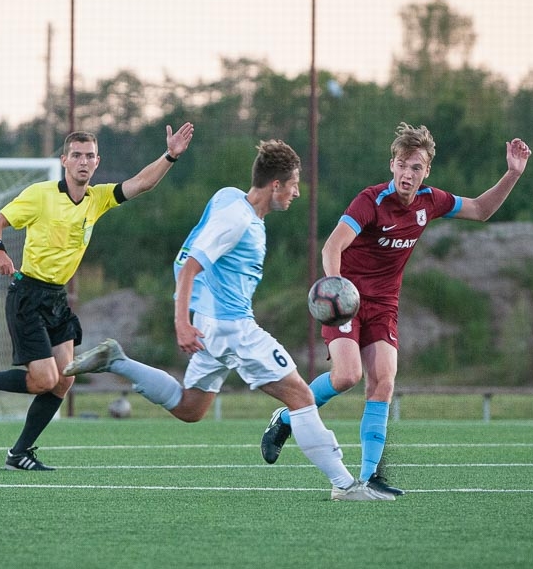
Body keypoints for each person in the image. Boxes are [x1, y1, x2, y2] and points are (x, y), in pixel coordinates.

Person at [64, 140, 382, 500]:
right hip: (234, 328)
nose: (296, 192)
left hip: (213, 323)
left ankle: (117, 361)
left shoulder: (229, 197)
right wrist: (182, 321)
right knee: (301, 396)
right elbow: (189, 267)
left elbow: (193, 251)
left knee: (190, 408)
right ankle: (345, 486)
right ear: (275, 185)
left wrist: (196, 312)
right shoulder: (238, 221)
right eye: (293, 184)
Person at [260, 122, 532, 499]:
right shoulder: (370, 201)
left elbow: (481, 210)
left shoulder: (430, 201)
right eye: (402, 164)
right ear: (392, 165)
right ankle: (287, 417)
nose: (408, 173)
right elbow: (332, 247)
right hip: (347, 301)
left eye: (416, 167)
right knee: (346, 376)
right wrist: (336, 288)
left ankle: (369, 478)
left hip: (384, 305)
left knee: (384, 380)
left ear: (426, 172)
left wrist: (512, 174)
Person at [0, 123, 194, 471]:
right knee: (44, 380)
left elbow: (142, 183)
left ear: (97, 163)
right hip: (27, 296)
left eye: (89, 156)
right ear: (64, 160)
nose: (83, 161)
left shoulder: (97, 199)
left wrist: (170, 155)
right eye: (76, 155)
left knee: (64, 379)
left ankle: (19, 453)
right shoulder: (41, 195)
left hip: (56, 299)